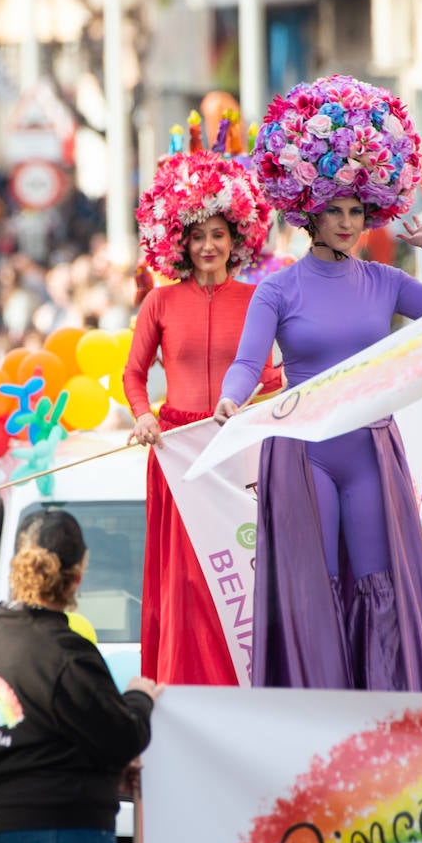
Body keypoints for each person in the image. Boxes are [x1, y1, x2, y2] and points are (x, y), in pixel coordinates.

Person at [216, 74, 422, 691]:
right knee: (316, 583)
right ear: (309, 213)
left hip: (369, 450)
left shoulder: (383, 281)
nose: (350, 222)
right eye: (336, 211)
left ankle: (379, 708)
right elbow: (250, 363)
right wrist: (231, 397)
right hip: (303, 450)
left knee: (378, 581)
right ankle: (318, 711)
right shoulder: (278, 289)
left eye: (358, 211)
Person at [122, 147, 282, 686]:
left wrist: (259, 402)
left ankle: (245, 678)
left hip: (238, 450)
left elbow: (274, 374)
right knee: (184, 577)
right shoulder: (160, 305)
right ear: (180, 243)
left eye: (218, 233)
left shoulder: (260, 299)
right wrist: (144, 417)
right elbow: (133, 375)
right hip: (177, 449)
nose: (208, 245)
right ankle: (181, 681)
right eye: (197, 235)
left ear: (237, 237)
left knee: (241, 563)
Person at [0, 510, 160, 843]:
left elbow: (41, 733)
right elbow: (123, 735)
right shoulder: (65, 651)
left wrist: (105, 770)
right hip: (58, 826)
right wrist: (141, 696)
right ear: (78, 576)